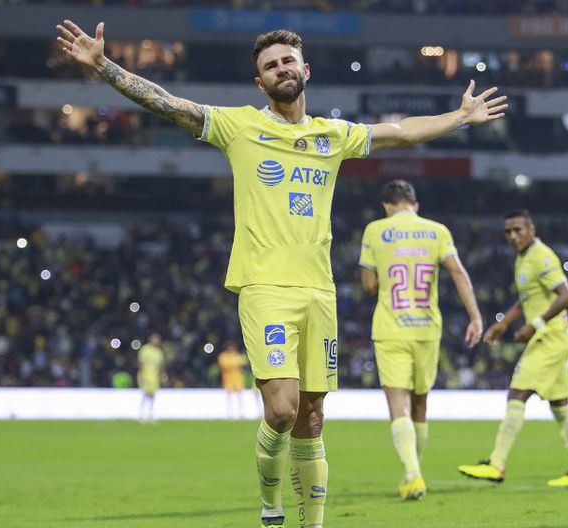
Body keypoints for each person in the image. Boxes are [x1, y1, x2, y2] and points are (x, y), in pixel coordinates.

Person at [56, 20, 506, 528]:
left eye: (287, 61)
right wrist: (104, 67)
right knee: (282, 409)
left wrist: (460, 117)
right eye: (270, 66)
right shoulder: (240, 127)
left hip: (319, 292)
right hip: (264, 287)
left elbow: (401, 132)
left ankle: (312, 524)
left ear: (305, 69)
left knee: (313, 416)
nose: (280, 69)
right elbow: (169, 103)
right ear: (260, 82)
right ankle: (271, 502)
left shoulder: (332, 135)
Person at [359, 179, 482, 501]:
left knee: (397, 404)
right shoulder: (437, 231)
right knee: (420, 404)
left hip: (391, 327)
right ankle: (413, 473)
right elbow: (458, 272)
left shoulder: (375, 230)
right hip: (427, 328)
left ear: (386, 206)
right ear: (415, 205)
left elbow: (368, 286)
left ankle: (413, 475)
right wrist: (475, 316)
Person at [458, 209, 568, 488]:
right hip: (550, 338)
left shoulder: (541, 256)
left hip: (549, 339)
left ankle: (496, 464)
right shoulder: (523, 259)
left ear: (532, 230)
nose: (513, 236)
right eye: (508, 231)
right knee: (561, 405)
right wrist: (503, 324)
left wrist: (534, 325)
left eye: (518, 230)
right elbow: (525, 300)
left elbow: (567, 296)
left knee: (518, 392)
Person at [137, 333, 165, 424]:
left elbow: (160, 365)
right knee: (146, 394)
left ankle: (150, 414)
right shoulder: (145, 349)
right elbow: (141, 363)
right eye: (155, 339)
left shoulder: (159, 352)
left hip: (154, 377)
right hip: (146, 375)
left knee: (153, 395)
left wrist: (161, 375)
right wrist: (142, 375)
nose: (156, 341)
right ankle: (141, 414)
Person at [219, 341, 248, 419]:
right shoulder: (223, 356)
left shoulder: (236, 354)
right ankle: (230, 413)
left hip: (238, 379)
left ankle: (241, 413)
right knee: (229, 397)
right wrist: (235, 363)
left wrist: (236, 362)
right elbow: (225, 365)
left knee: (240, 397)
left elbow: (243, 362)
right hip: (228, 380)